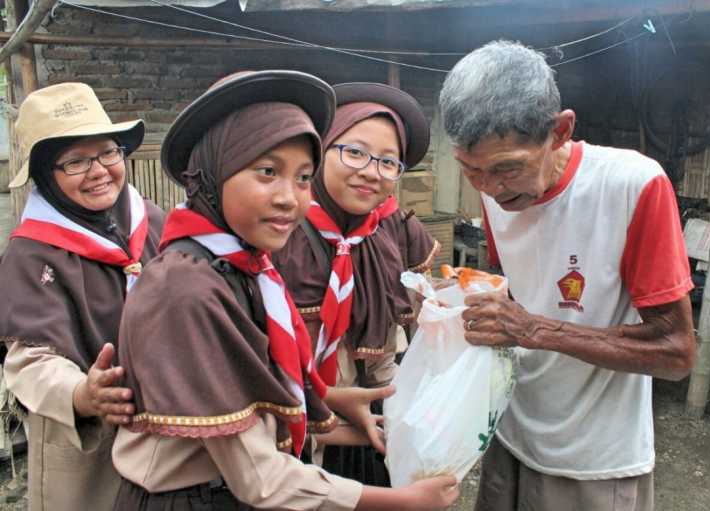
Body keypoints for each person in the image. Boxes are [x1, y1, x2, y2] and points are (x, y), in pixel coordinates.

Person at [112, 70, 458, 511]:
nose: (289, 199)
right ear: (216, 171)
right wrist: (402, 502)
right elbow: (260, 478)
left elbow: (253, 380)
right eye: (267, 172)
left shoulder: (241, 267)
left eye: (301, 178)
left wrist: (330, 399)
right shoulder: (190, 286)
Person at [438, 40, 697, 511]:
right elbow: (520, 287)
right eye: (471, 171)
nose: (491, 190)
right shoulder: (496, 194)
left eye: (506, 169)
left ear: (560, 131)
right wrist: (454, 300)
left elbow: (677, 354)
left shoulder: (633, 186)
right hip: (508, 432)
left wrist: (536, 329)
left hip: (591, 459)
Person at [0, 82, 165, 511]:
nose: (98, 171)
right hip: (87, 449)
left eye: (108, 152)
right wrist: (82, 394)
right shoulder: (31, 252)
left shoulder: (152, 220)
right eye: (75, 161)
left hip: (168, 437)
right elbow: (29, 361)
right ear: (45, 176)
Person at [272, 82, 440, 486]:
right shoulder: (278, 228)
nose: (370, 172)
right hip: (292, 428)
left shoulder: (399, 229)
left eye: (388, 162)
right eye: (355, 152)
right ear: (322, 149)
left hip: (379, 422)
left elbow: (423, 319)